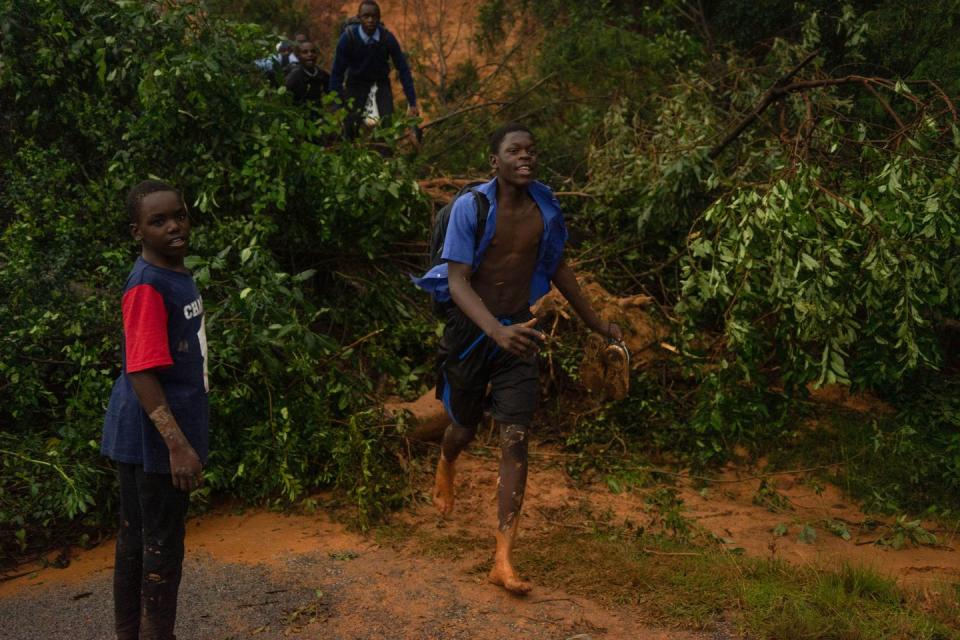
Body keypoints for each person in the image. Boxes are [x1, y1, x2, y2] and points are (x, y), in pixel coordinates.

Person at [413, 123, 623, 593]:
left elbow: (559, 267)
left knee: (515, 439)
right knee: (463, 426)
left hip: (520, 331)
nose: (525, 156)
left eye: (531, 149)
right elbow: (459, 280)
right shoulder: (473, 207)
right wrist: (494, 331)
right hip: (472, 331)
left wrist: (598, 324)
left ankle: (503, 559)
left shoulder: (544, 210)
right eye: (514, 150)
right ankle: (447, 460)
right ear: (496, 161)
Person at [101, 180, 209, 640]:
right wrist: (177, 446)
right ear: (137, 232)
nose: (174, 227)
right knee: (160, 550)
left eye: (179, 215)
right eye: (158, 221)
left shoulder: (174, 274)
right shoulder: (147, 284)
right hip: (153, 442)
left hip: (149, 435)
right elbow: (142, 370)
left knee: (136, 545)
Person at [328, 0, 419, 138]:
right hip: (355, 84)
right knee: (350, 126)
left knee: (386, 125)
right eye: (366, 16)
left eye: (374, 16)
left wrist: (412, 102)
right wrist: (337, 104)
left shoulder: (387, 38)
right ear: (359, 18)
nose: (370, 20)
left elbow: (403, 69)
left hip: (380, 84)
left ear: (379, 18)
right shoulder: (348, 38)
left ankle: (386, 156)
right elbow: (337, 73)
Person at [285, 40, 331, 106]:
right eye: (305, 52)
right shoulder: (293, 78)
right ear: (298, 56)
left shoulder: (323, 74)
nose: (310, 54)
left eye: (313, 51)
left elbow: (332, 93)